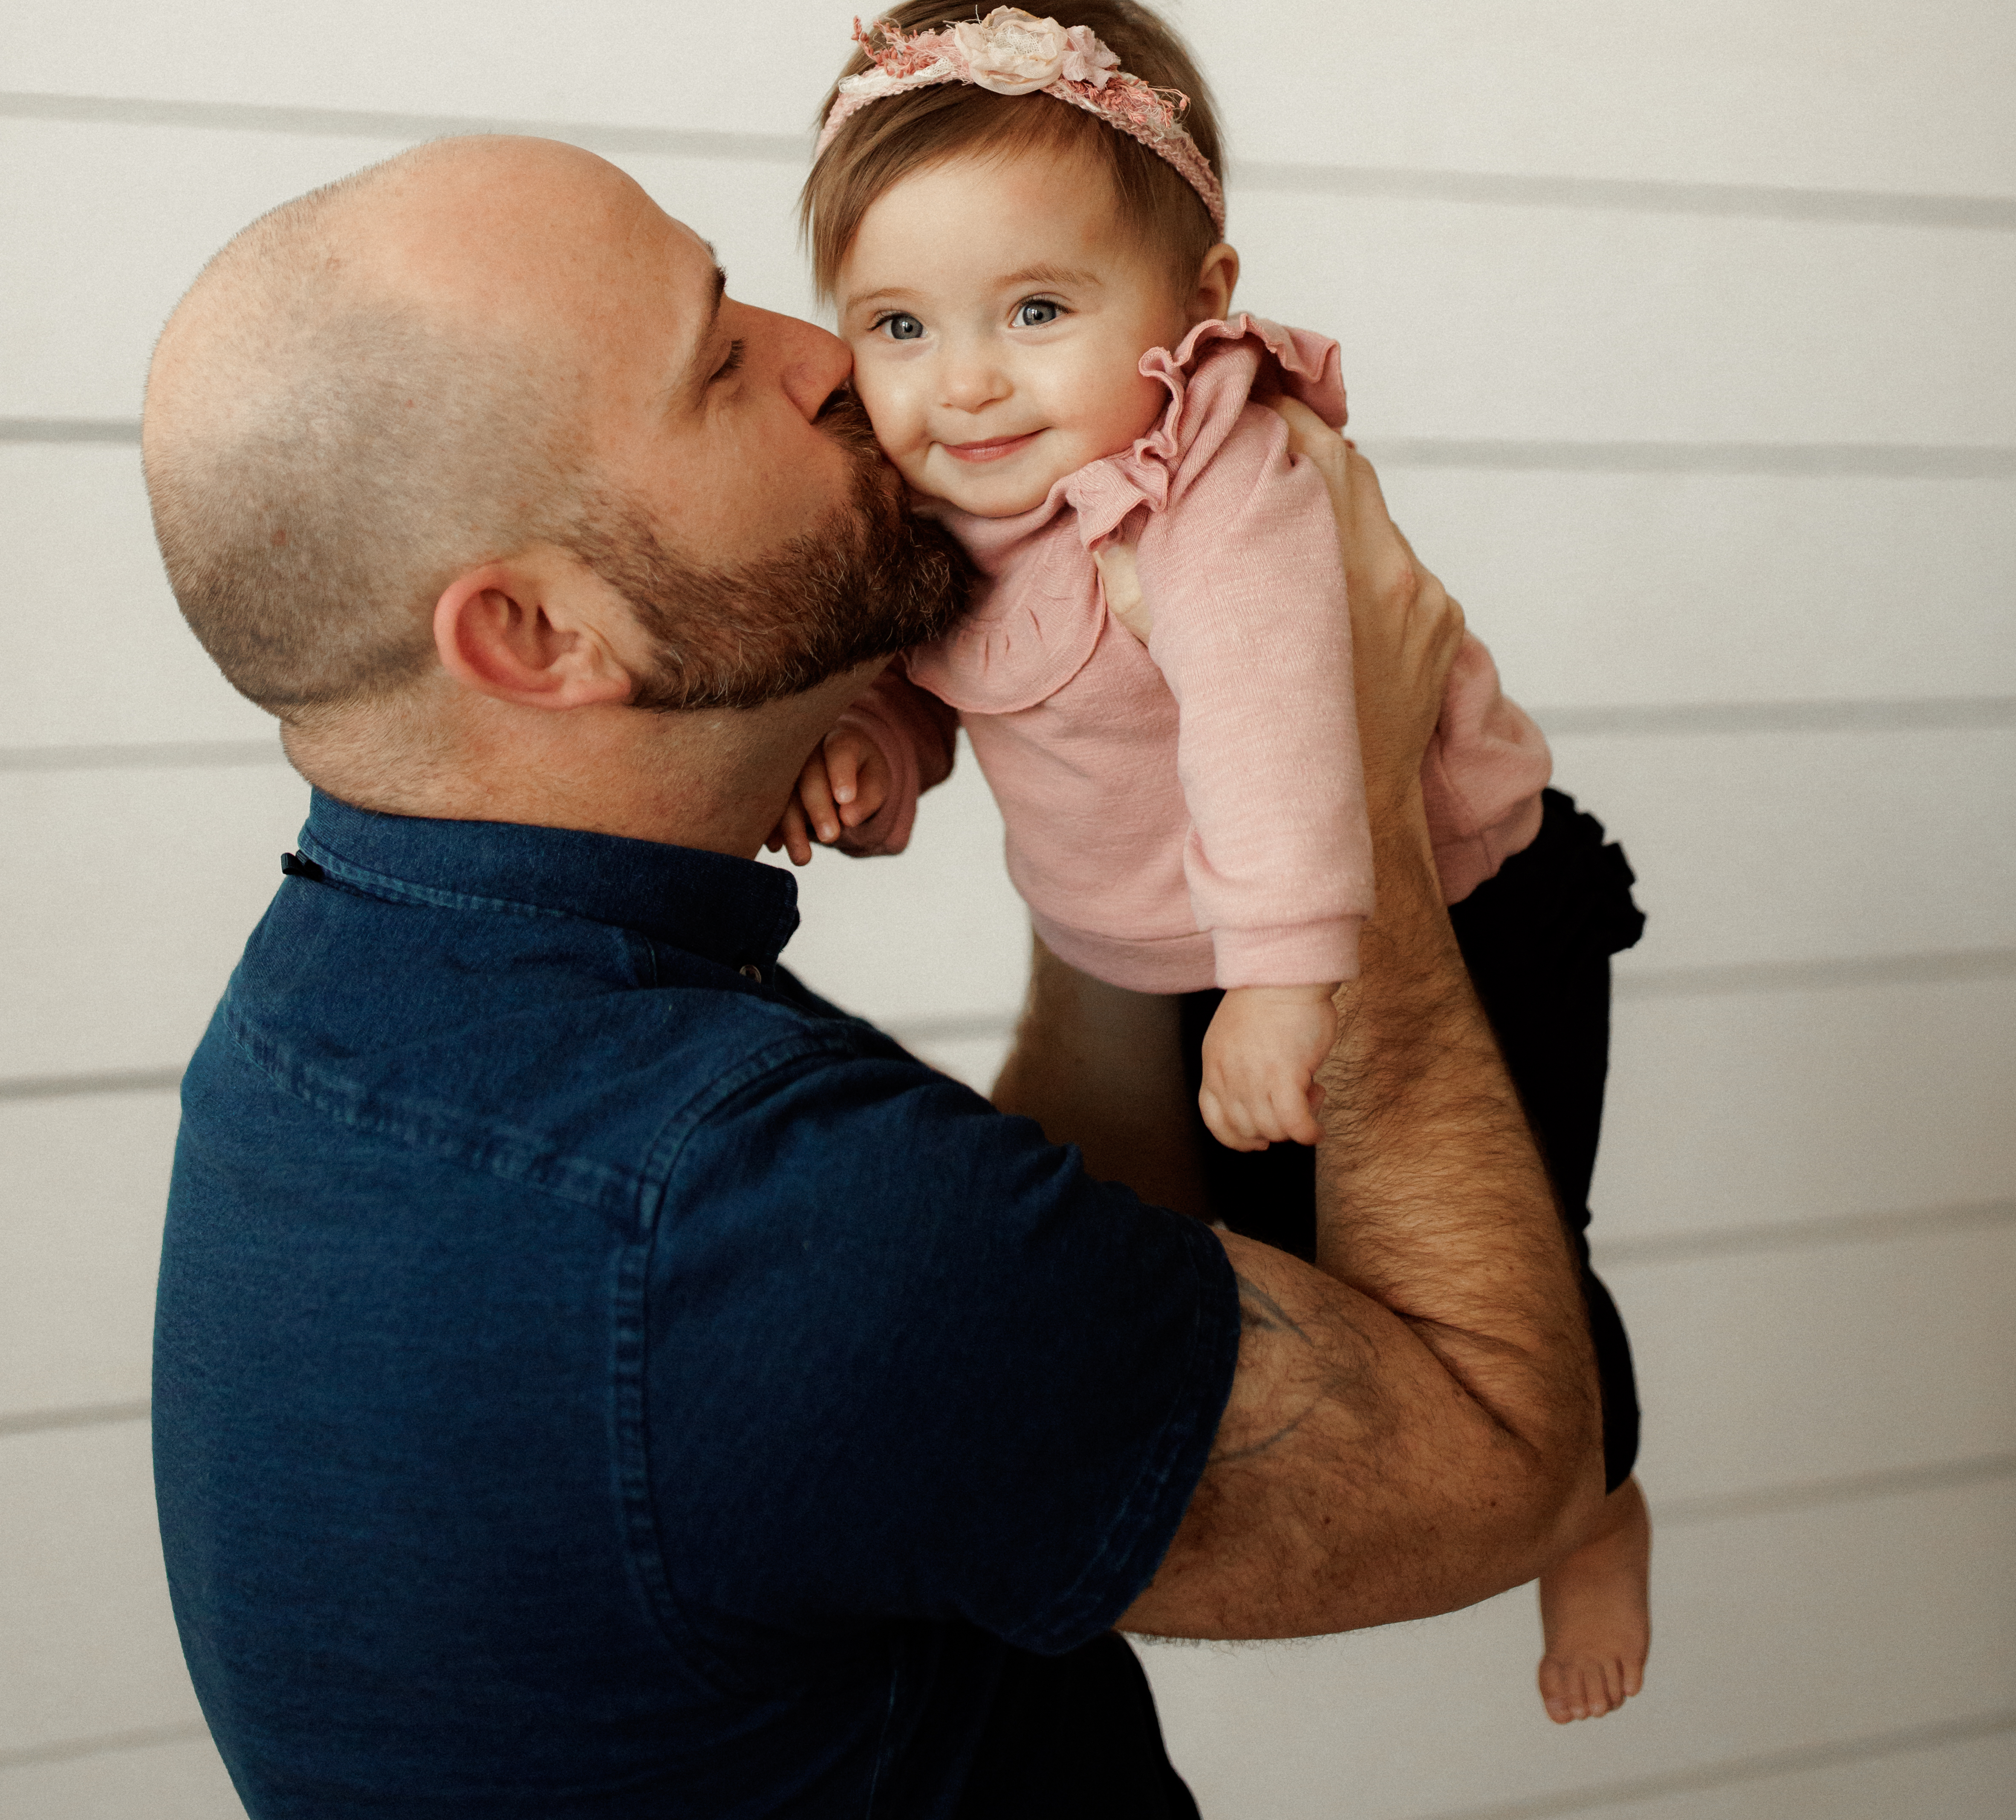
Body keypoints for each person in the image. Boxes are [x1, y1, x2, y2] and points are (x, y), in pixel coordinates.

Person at [144, 134, 1603, 1817]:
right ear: (539, 634)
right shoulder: (747, 1214)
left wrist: (1150, 744)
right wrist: (1344, 791)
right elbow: (1507, 1459)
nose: (837, 353)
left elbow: (1031, 1313)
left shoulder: (353, 1008)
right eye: (718, 364)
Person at [780, 0, 1650, 1724]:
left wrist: (1282, 972)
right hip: (1205, 947)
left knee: (1496, 1238)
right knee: (1295, 1276)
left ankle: (1596, 1490)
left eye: (1034, 306)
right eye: (896, 325)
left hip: (1457, 899)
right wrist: (875, 747)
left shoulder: (1209, 485)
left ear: (1197, 299)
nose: (962, 383)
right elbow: (953, 676)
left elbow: (1270, 732)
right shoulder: (950, 490)